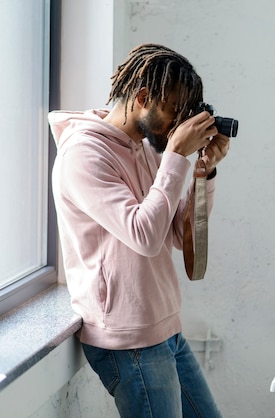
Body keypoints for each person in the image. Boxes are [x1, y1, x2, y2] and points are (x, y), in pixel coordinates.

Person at [49, 43, 229, 418]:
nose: (178, 124)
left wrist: (204, 171)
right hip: (129, 340)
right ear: (144, 97)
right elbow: (144, 236)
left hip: (165, 328)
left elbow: (177, 236)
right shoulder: (83, 154)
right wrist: (176, 156)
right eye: (173, 111)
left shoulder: (144, 147)